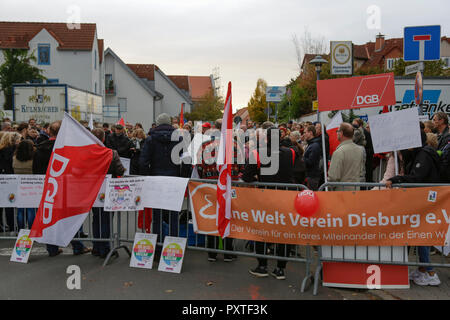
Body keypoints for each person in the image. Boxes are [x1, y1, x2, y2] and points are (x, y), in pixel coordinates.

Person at [386, 130, 441, 286]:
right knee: (419, 233)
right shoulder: (420, 154)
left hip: (425, 200)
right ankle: (423, 270)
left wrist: (397, 179)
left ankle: (430, 272)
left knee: (421, 234)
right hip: (423, 199)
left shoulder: (423, 155)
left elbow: (417, 177)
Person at [32, 121, 91, 257]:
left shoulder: (40, 148)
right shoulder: (66, 149)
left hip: (48, 188)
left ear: (48, 132)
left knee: (49, 217)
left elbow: (35, 169)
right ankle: (77, 246)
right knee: (69, 217)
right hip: (65, 187)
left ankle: (52, 248)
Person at [242, 127, 294, 280]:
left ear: (267, 139)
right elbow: (296, 172)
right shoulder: (290, 153)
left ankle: (262, 266)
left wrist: (258, 178)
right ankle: (280, 269)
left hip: (265, 198)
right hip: (285, 197)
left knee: (261, 232)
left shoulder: (257, 153)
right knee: (284, 234)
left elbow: (246, 176)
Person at [196, 119, 242, 262]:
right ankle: (228, 252)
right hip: (229, 186)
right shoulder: (235, 145)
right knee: (228, 216)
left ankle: (212, 252)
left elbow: (199, 165)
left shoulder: (205, 145)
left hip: (210, 186)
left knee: (212, 217)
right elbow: (241, 165)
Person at [140, 113, 181, 245]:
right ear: (169, 123)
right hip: (174, 179)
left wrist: (147, 176)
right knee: (173, 215)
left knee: (157, 215)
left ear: (157, 123)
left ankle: (157, 245)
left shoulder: (150, 139)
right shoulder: (179, 138)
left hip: (156, 178)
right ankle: (173, 246)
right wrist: (181, 177)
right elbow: (186, 160)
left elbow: (143, 162)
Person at [91, 128, 125, 258]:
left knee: (96, 218)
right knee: (106, 219)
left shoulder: (87, 153)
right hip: (108, 189)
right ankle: (104, 248)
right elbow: (120, 170)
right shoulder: (111, 153)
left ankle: (96, 246)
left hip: (93, 190)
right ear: (104, 139)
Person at [328, 123, 365, 191]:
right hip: (355, 191)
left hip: (341, 193)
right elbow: (361, 172)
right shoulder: (360, 150)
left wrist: (330, 188)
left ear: (341, 133)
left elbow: (333, 177)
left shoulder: (339, 152)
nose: (337, 133)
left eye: (338, 131)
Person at [0, 132, 22, 232]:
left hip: (3, 178)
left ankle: (2, 225)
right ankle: (12, 226)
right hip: (11, 179)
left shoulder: (1, 149)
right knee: (10, 203)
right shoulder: (13, 151)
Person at [13, 139, 36, 230]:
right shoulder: (33, 159)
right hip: (31, 185)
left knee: (20, 210)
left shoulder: (14, 158)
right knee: (31, 209)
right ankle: (31, 229)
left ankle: (21, 229)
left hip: (19, 185)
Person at [303, 125, 322, 190]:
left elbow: (311, 162)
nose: (304, 134)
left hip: (312, 176)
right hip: (310, 175)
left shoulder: (314, 145)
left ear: (310, 133)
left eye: (305, 132)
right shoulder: (311, 144)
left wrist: (302, 159)